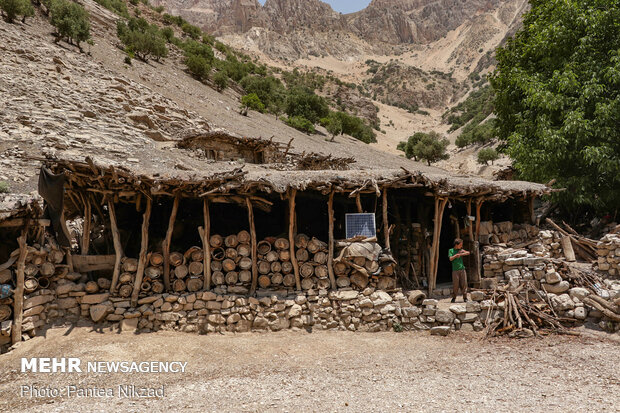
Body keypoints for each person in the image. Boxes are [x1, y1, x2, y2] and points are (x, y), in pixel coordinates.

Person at [448, 238, 470, 303]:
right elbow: (450, 259)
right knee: (455, 284)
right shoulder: (451, 250)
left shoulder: (460, 250)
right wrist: (456, 255)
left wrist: (461, 254)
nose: (461, 246)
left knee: (464, 284)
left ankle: (465, 297)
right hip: (455, 270)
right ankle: (454, 297)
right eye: (460, 245)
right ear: (456, 245)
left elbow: (468, 253)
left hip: (462, 269)